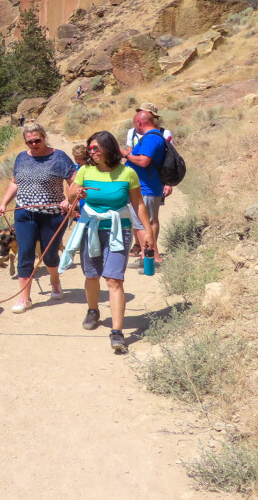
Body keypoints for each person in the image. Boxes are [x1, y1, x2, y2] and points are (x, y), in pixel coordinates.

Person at [63, 130, 154, 353]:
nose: (91, 152)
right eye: (89, 148)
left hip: (118, 229)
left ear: (108, 149)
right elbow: (70, 198)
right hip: (90, 228)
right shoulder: (84, 170)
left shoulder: (127, 173)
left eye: (96, 148)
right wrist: (78, 194)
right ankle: (93, 310)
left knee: (114, 280)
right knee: (91, 275)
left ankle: (117, 332)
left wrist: (148, 232)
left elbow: (138, 204)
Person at [0, 121, 76, 313]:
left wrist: (69, 200)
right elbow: (15, 183)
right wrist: (4, 202)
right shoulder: (21, 158)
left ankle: (55, 282)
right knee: (25, 253)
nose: (33, 144)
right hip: (24, 213)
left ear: (44, 137)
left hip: (52, 214)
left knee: (49, 254)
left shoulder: (59, 157)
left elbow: (74, 181)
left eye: (37, 140)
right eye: (29, 142)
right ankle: (25, 298)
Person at [122, 104, 168, 261]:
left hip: (146, 188)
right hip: (148, 187)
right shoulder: (155, 136)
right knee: (146, 222)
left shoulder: (150, 139)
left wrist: (125, 155)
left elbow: (143, 161)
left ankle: (151, 259)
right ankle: (148, 257)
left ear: (139, 123)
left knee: (142, 225)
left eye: (135, 123)